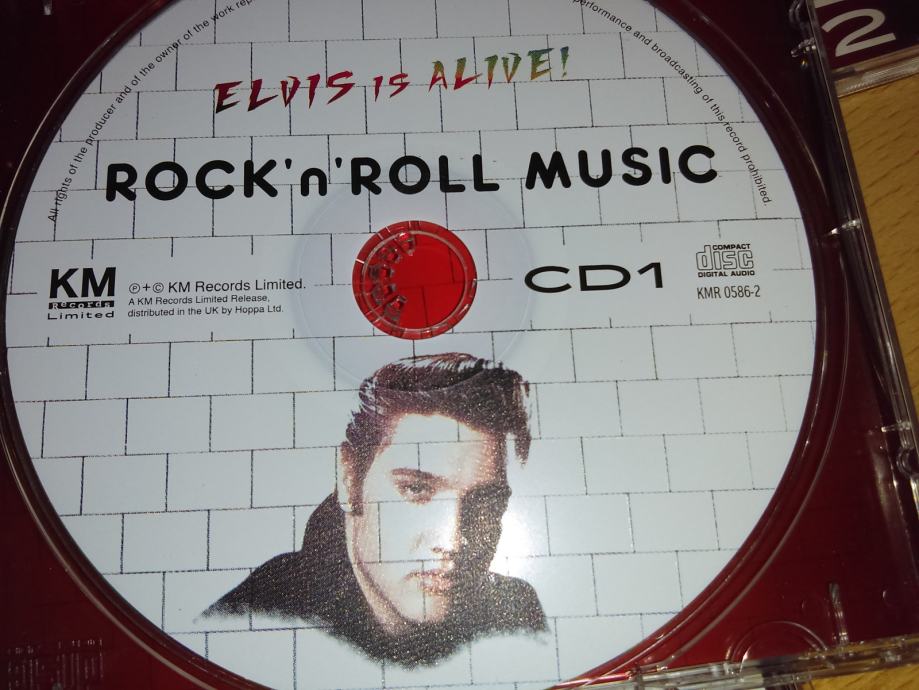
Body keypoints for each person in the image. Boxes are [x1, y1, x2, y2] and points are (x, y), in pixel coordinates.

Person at [203, 353, 546, 666]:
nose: (454, 541)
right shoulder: (255, 616)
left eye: (486, 503)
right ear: (349, 478)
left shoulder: (517, 609)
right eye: (416, 489)